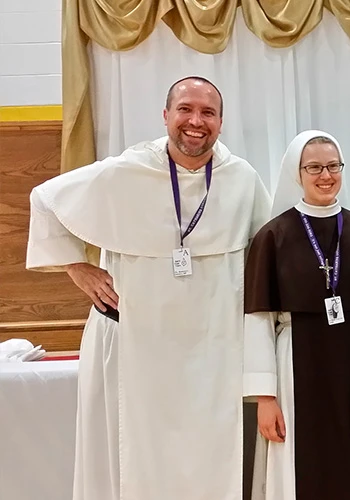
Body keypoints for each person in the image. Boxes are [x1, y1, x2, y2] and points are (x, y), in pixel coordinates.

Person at [25, 76, 272, 500]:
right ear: (165, 115)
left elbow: (267, 251)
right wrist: (77, 268)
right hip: (137, 345)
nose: (196, 121)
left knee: (210, 456)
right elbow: (45, 199)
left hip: (213, 351)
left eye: (208, 112)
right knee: (133, 455)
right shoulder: (126, 171)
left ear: (221, 122)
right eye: (185, 109)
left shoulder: (241, 178)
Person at [243, 130, 350, 499]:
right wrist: (265, 398)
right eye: (314, 167)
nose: (326, 176)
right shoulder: (273, 236)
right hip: (295, 363)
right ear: (297, 172)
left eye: (333, 166)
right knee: (298, 464)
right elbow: (258, 319)